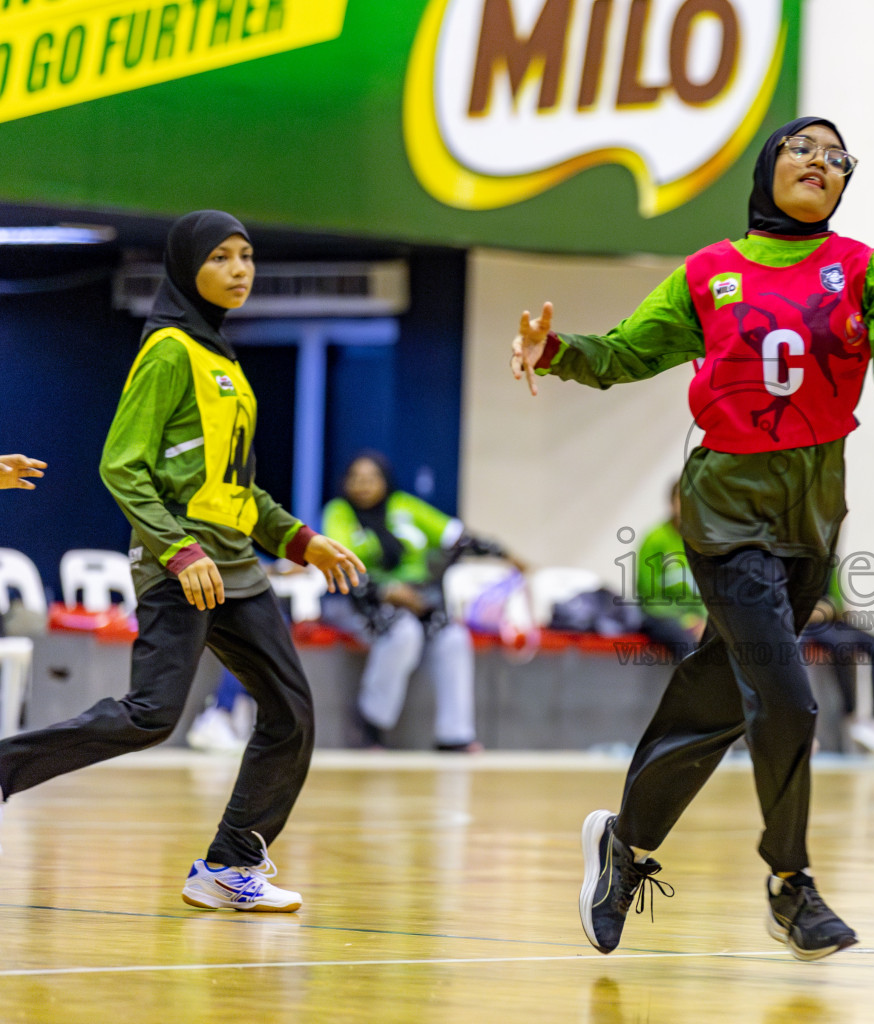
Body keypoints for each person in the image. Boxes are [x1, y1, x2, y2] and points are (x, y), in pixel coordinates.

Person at [510, 117, 874, 962]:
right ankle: (791, 884)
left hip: (809, 519)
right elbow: (628, 353)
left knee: (715, 698)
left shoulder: (867, 274)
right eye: (803, 148)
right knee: (788, 697)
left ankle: (621, 845)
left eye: (838, 156)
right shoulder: (710, 273)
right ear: (767, 167)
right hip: (725, 511)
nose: (821, 161)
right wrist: (555, 349)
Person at [0, 211, 364, 911]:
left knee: (291, 713)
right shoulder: (168, 350)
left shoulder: (223, 360)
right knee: (152, 715)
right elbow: (121, 465)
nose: (240, 269)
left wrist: (300, 540)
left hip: (239, 570)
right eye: (221, 257)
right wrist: (177, 548)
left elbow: (239, 487)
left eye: (248, 256)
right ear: (186, 266)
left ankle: (229, 868)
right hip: (183, 565)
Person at [322, 451, 515, 752]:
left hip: (414, 598)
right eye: (356, 479)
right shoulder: (339, 512)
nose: (363, 486)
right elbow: (341, 564)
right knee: (404, 633)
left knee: (453, 637)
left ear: (385, 481)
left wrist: (507, 556)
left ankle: (454, 735)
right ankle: (370, 726)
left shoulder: (404, 506)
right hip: (358, 599)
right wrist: (387, 591)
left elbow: (456, 535)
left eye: (371, 479)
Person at [799, 568, 874, 759]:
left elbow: (839, 604)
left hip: (834, 621)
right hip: (808, 625)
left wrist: (834, 610)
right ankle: (849, 714)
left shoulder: (830, 564)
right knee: (842, 645)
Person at [634, 478, 707, 655]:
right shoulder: (656, 539)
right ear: (672, 503)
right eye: (681, 500)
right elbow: (648, 595)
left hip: (696, 617)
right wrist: (686, 620)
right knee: (686, 643)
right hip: (661, 615)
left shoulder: (703, 541)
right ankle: (692, 682)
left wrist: (705, 620)